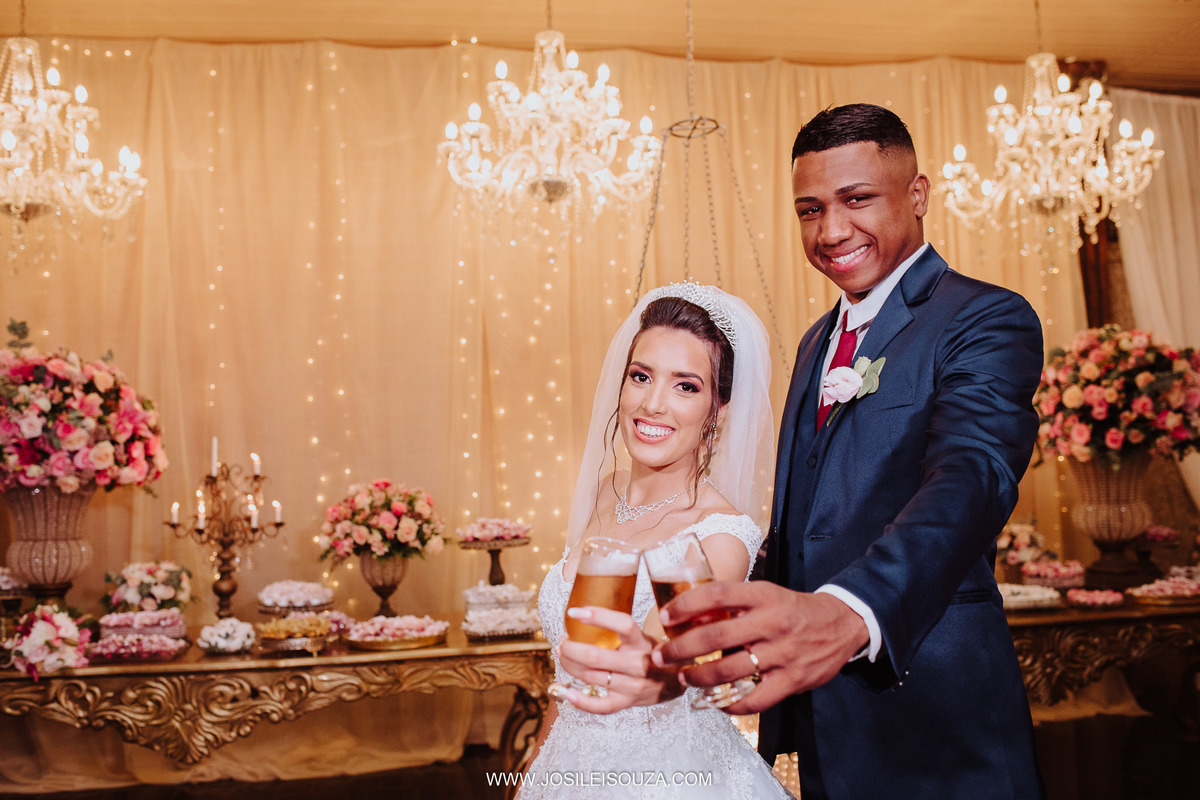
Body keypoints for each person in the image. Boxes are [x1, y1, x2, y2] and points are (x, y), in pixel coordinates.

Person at [654, 104, 1046, 798]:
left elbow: (972, 477)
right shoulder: (813, 341)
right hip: (820, 721)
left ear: (917, 195)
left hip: (934, 715)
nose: (832, 231)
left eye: (857, 199)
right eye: (810, 209)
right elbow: (809, 522)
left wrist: (849, 612)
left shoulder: (985, 316)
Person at [516, 282, 793, 799]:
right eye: (641, 377)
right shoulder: (604, 496)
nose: (653, 404)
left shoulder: (720, 537)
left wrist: (651, 664)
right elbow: (572, 673)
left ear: (720, 407)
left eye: (685, 386)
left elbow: (658, 661)